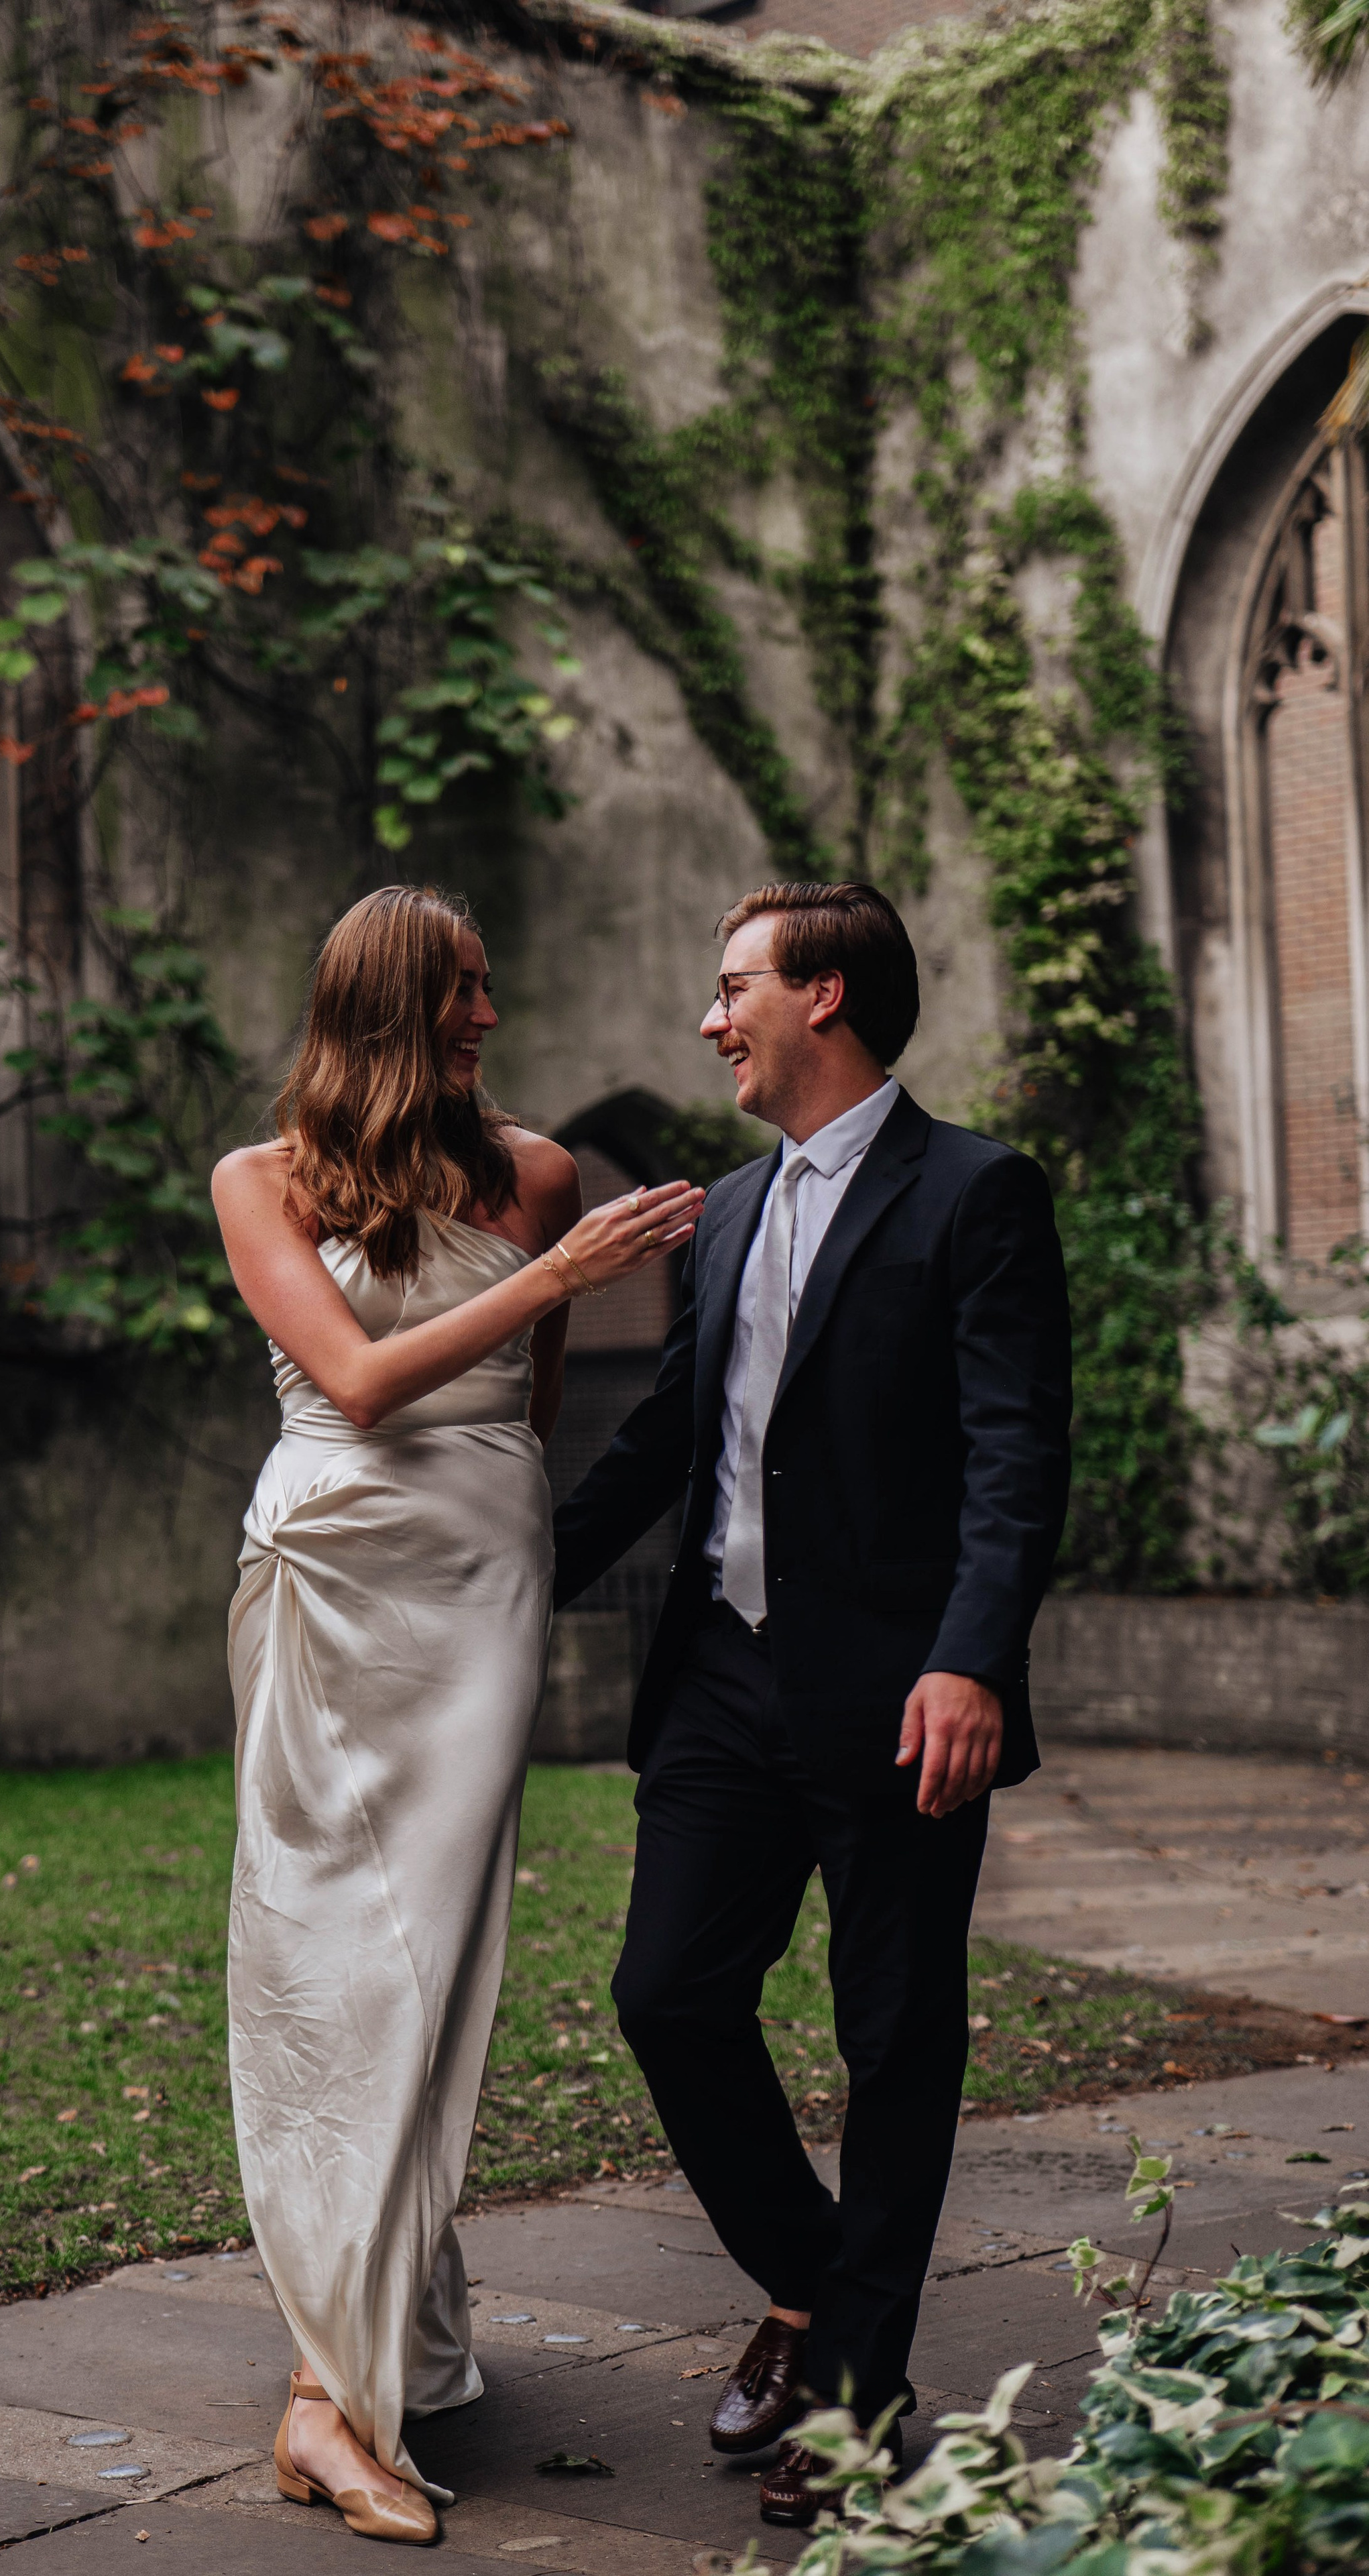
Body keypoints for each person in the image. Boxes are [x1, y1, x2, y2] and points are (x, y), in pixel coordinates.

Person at [550, 879, 1071, 2525]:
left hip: (901, 1695)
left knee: (895, 2033)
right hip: (718, 1675)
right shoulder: (716, 1214)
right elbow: (661, 1442)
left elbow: (1014, 1448)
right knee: (666, 1994)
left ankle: (846, 2405)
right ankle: (819, 2296)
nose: (710, 1019)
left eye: (732, 988)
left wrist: (973, 1653)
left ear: (823, 995)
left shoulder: (975, 1194)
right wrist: (503, 1582)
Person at [213, 885, 701, 2545]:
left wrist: (552, 1272)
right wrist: (556, 1272)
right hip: (330, 1574)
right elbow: (354, 1381)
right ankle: (322, 2396)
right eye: (464, 992)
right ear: (389, 1005)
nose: (489, 1017)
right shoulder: (257, 1182)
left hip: (478, 1579)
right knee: (322, 1953)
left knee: (435, 1951)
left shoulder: (540, 1170)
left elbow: (529, 1400)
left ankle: (361, 2348)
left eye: (489, 990)